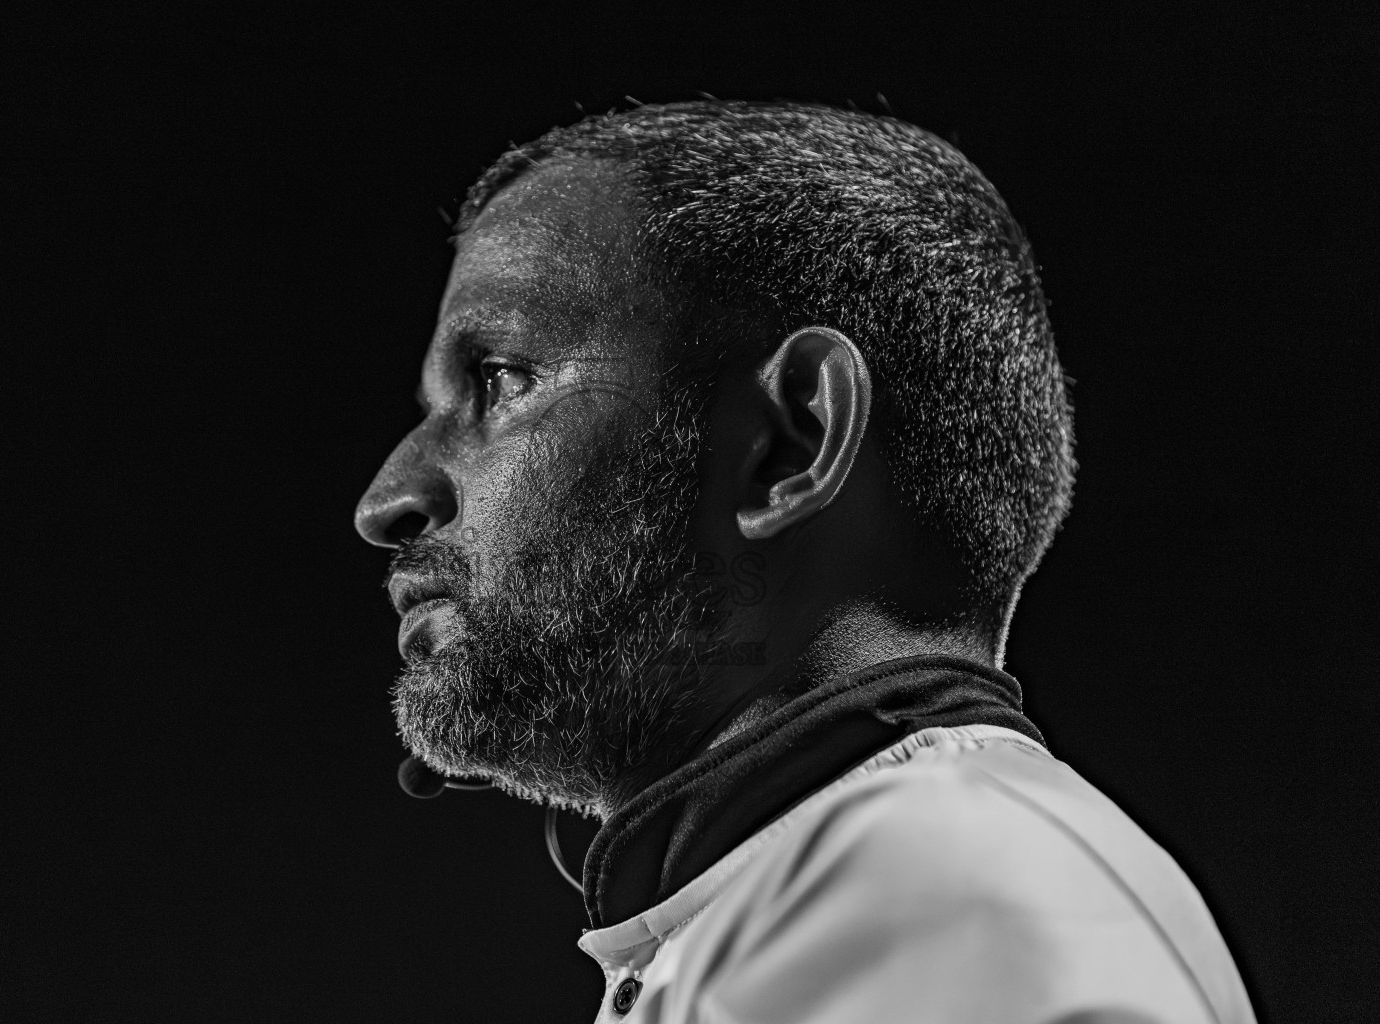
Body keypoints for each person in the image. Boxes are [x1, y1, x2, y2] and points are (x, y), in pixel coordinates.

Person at [355, 100, 1256, 1024]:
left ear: (790, 442)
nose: (387, 500)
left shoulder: (950, 910)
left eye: (501, 380)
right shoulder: (837, 898)